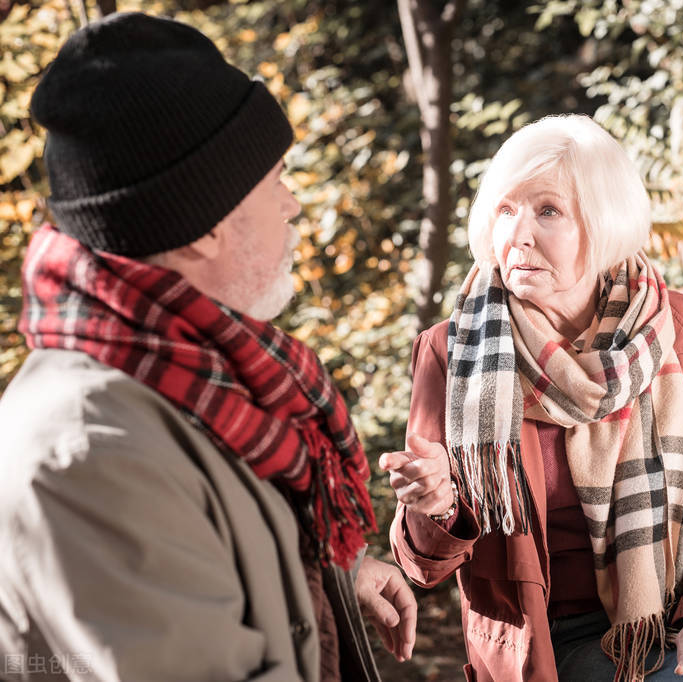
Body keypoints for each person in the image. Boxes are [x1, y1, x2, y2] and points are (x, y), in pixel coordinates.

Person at [0, 12, 414, 682]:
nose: (294, 205)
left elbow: (210, 528)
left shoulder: (192, 372)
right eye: (278, 177)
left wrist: (331, 576)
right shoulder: (94, 450)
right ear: (201, 226)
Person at [381, 115, 683, 681]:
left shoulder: (681, 328)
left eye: (548, 211)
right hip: (547, 647)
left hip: (672, 620)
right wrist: (434, 505)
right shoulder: (453, 350)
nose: (518, 235)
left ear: (604, 224)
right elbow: (423, 566)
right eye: (506, 210)